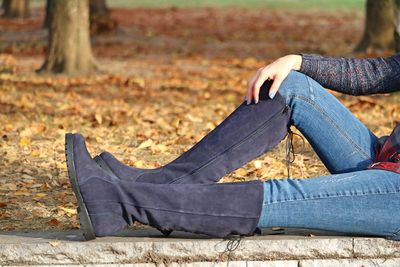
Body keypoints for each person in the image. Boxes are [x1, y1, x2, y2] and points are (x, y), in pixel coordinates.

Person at [65, 53, 400, 241]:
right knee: (294, 86)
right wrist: (298, 61)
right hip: (386, 160)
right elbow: (380, 73)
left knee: (286, 195)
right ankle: (163, 183)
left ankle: (119, 203)